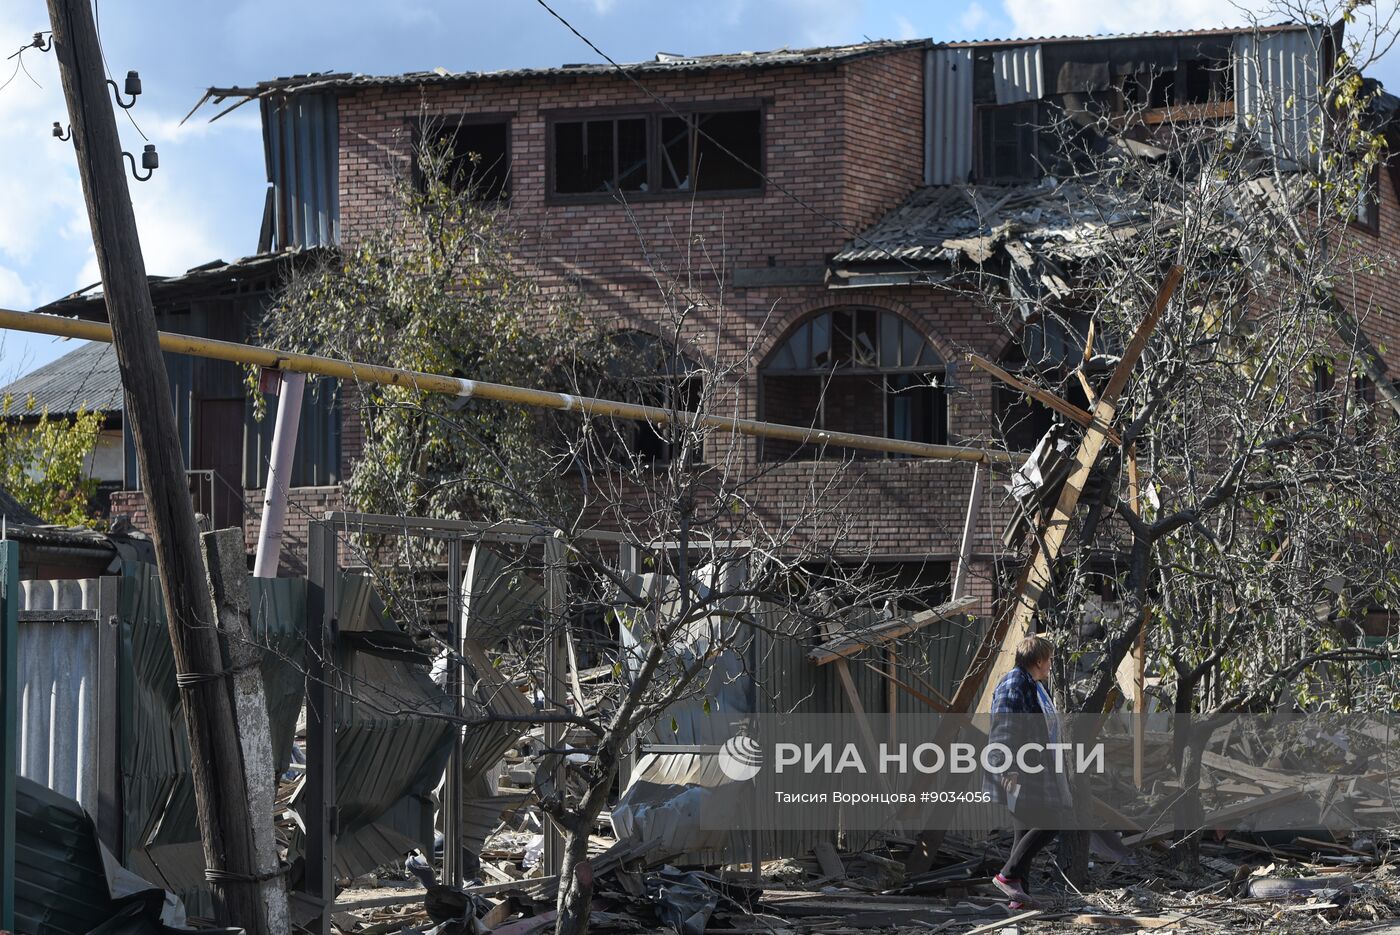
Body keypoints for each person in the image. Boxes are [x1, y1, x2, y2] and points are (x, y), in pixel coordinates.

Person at [986, 634, 1071, 910]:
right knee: (1051, 821)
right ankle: (1007, 875)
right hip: (1019, 771)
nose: (1050, 666)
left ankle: (1018, 899)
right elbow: (1004, 726)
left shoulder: (1031, 684)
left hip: (1030, 770)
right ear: (1038, 660)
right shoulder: (1015, 682)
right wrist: (1007, 767)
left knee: (1023, 833)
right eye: (1049, 660)